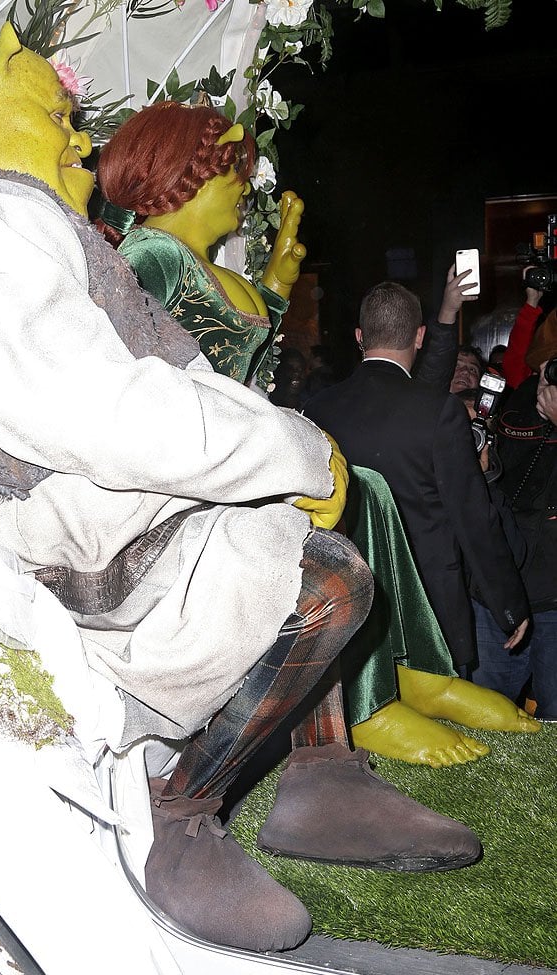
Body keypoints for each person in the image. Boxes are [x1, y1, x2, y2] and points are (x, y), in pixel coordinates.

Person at [0, 26, 483, 956]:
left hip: (96, 490)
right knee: (324, 574)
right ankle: (180, 808)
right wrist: (293, 450)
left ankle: (319, 770)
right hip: (61, 523)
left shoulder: (19, 221)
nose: (82, 144)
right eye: (58, 117)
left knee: (320, 511)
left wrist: (288, 447)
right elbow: (94, 409)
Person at [97, 105, 535, 766]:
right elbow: (148, 375)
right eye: (232, 174)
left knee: (372, 495)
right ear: (187, 176)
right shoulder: (150, 254)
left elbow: (237, 345)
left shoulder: (194, 262)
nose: (245, 191)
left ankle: (402, 668)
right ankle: (366, 700)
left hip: (229, 455)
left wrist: (275, 279)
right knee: (328, 515)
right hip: (190, 473)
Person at [304, 281, 539, 755]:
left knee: (365, 733)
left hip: (346, 604)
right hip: (429, 614)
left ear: (358, 337)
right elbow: (475, 518)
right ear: (417, 337)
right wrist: (508, 604)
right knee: (451, 748)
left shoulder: (317, 409)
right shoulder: (438, 412)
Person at [472, 311, 557, 720]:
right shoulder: (512, 405)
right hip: (500, 591)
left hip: (554, 599)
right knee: (492, 716)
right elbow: (493, 491)